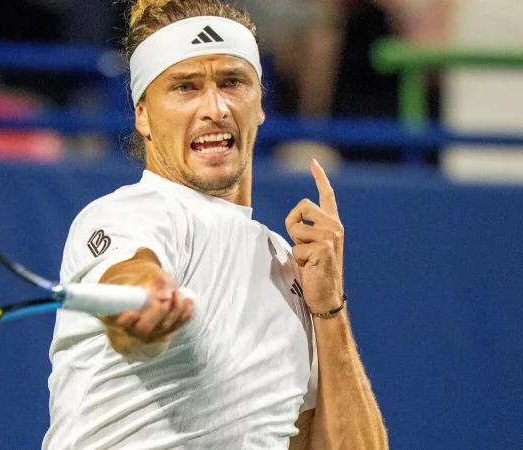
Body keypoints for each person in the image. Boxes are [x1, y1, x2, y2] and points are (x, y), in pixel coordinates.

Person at [43, 0, 388, 448]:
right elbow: (130, 279)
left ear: (260, 103)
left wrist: (328, 310)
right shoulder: (126, 214)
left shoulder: (287, 268)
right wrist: (144, 306)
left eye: (232, 82)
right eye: (185, 87)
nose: (215, 108)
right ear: (142, 114)